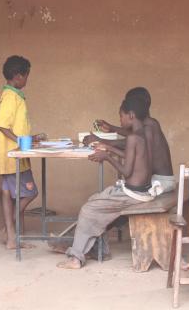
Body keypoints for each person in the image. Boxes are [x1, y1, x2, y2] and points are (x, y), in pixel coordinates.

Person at [57, 96, 153, 269]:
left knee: (88, 209)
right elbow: (134, 158)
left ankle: (75, 259)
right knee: (96, 199)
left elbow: (126, 171)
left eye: (121, 116)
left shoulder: (132, 138)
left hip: (133, 194)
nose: (120, 120)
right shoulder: (142, 135)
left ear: (130, 115)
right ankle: (100, 249)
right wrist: (109, 148)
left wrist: (107, 156)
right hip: (142, 190)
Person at [0, 55, 45, 249]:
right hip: (14, 155)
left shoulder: (14, 95)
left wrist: (31, 138)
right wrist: (20, 141)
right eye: (27, 75)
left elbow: (17, 125)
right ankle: (8, 229)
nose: (28, 79)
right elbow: (0, 124)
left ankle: (12, 238)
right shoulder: (10, 97)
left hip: (10, 156)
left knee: (8, 195)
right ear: (18, 76)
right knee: (31, 192)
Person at [84, 87, 175, 193]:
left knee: (119, 190)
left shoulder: (150, 125)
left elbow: (128, 142)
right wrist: (111, 129)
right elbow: (133, 137)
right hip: (156, 180)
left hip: (161, 182)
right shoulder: (145, 124)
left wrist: (101, 141)